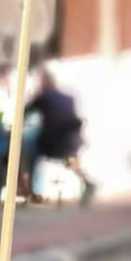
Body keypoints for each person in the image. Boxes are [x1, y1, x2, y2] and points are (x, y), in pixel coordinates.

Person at [23, 67, 90, 200]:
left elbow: (24, 113)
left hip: (51, 145)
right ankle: (87, 181)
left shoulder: (44, 96)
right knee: (67, 159)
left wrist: (32, 97)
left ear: (43, 82)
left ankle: (30, 190)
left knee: (28, 147)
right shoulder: (68, 98)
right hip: (71, 144)